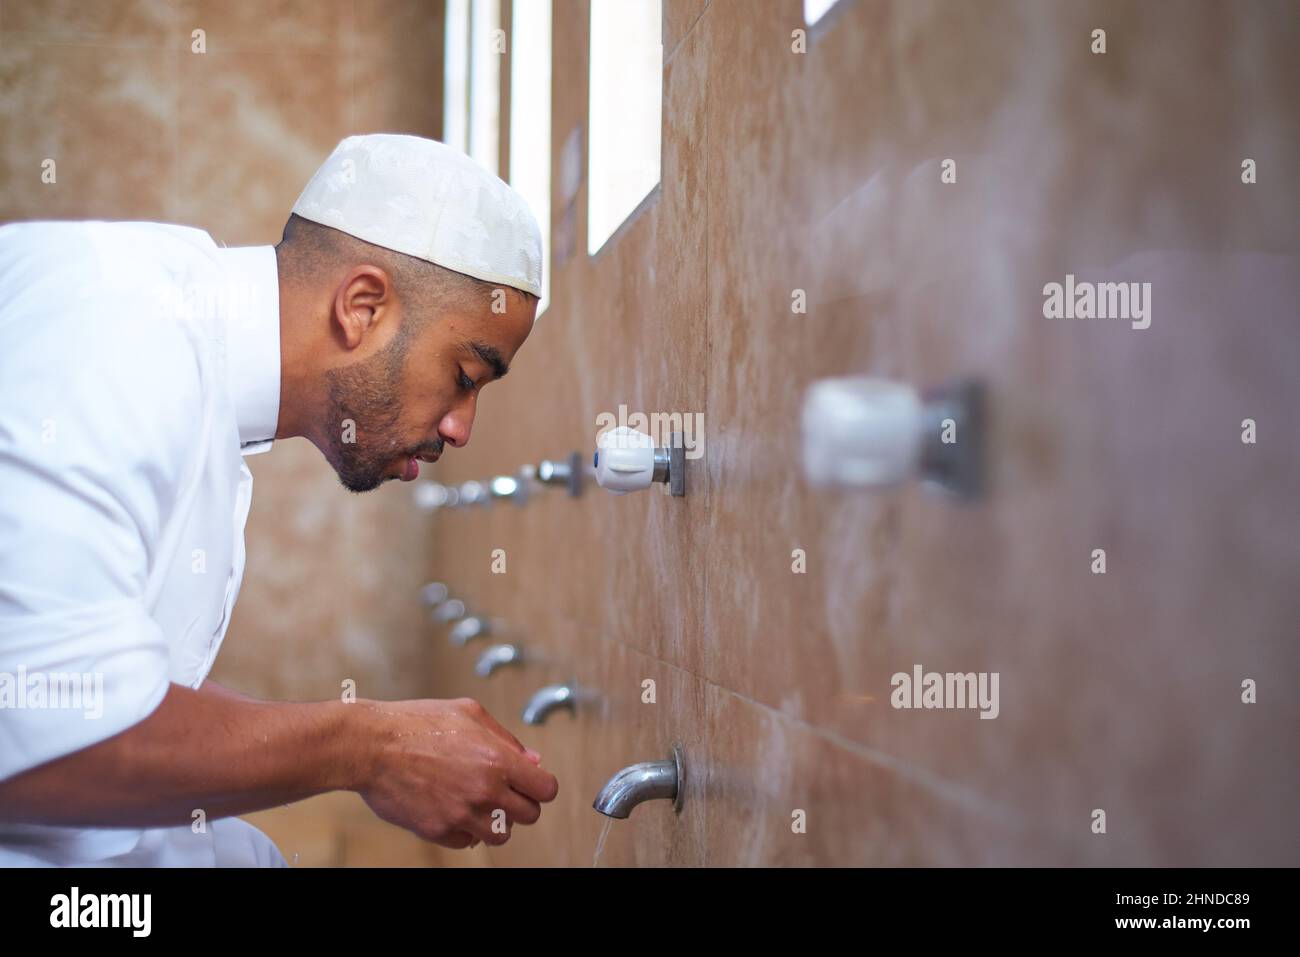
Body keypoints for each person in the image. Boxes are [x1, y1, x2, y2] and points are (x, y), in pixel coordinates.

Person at [0, 133, 558, 866]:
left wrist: (375, 739)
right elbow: (45, 735)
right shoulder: (119, 333)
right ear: (362, 305)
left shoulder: (189, 364)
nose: (461, 427)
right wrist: (367, 748)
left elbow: (125, 685)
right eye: (463, 374)